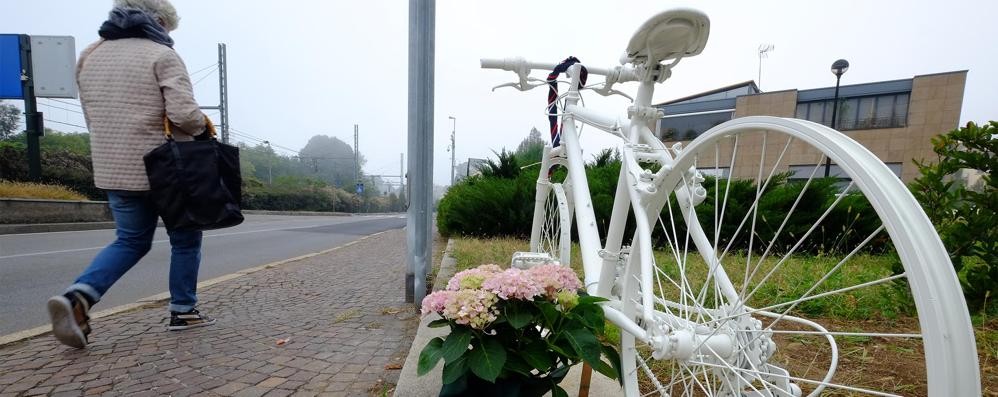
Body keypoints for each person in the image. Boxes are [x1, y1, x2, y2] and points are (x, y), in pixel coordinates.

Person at [47, 0, 215, 349]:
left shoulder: (91, 55)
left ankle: (79, 296)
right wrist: (204, 131)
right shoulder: (161, 54)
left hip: (114, 167)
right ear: (156, 21)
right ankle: (183, 309)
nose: (168, 35)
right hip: (167, 169)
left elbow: (91, 116)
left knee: (130, 241)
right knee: (185, 239)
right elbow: (184, 113)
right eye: (167, 28)